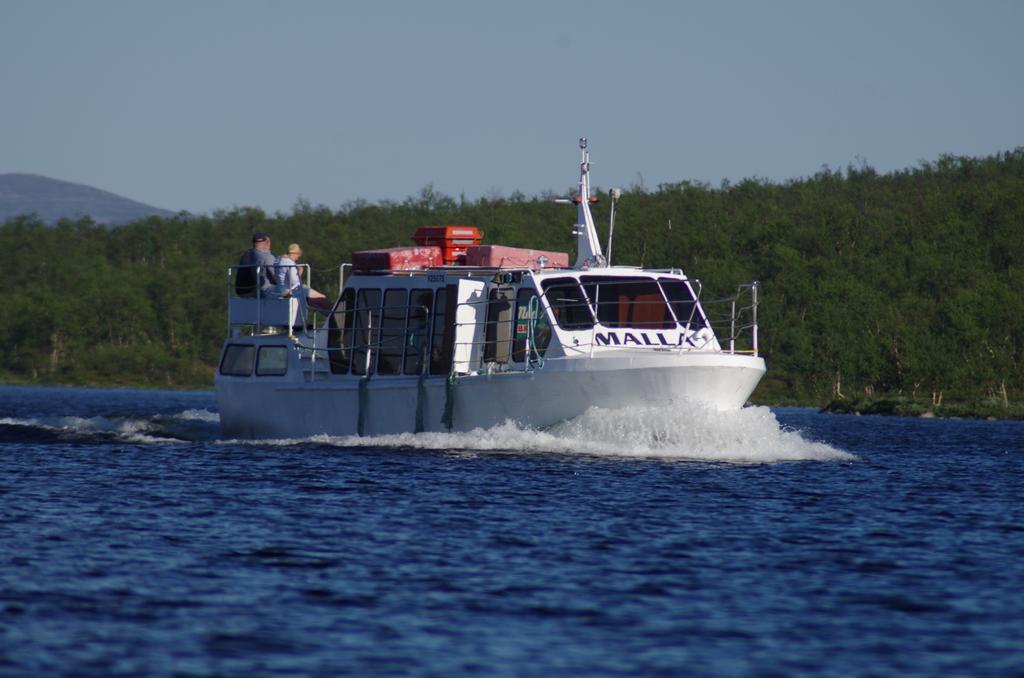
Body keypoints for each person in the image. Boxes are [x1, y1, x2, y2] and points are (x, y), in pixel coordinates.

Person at [274, 243, 333, 313]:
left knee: (315, 301)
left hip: (282, 290)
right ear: (294, 253)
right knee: (322, 297)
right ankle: (334, 314)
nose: (298, 258)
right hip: (292, 291)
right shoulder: (289, 263)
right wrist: (300, 272)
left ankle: (329, 314)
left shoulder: (278, 260)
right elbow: (294, 281)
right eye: (298, 255)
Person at [235, 232, 277, 297]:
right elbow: (276, 276)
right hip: (263, 291)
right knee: (291, 290)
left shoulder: (247, 254)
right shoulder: (267, 256)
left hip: (243, 291)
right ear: (267, 243)